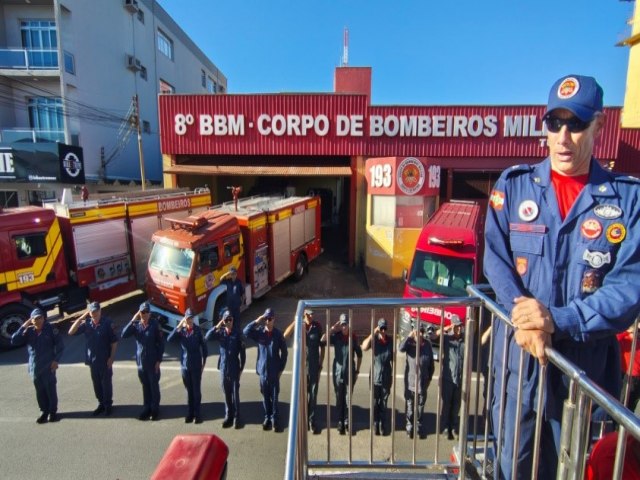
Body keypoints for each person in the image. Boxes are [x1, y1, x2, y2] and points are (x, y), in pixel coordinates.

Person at [484, 74, 640, 479]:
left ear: (599, 126)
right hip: (519, 365)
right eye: (555, 123)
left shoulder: (629, 200)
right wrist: (526, 316)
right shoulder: (515, 186)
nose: (564, 136)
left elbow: (628, 289)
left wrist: (557, 320)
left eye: (577, 123)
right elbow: (496, 261)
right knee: (512, 465)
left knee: (571, 471)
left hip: (581, 375)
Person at [11, 308, 64, 424]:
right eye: (35, 319)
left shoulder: (51, 329)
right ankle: (43, 411)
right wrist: (25, 325)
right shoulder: (29, 332)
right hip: (35, 368)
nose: (38, 320)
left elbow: (60, 346)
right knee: (40, 391)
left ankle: (53, 412)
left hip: (48, 366)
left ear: (44, 318)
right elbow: (14, 340)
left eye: (40, 318)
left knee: (50, 390)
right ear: (31, 320)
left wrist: (56, 360)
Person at [69, 301, 118, 416]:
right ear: (89, 313)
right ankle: (101, 403)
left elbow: (114, 342)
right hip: (92, 360)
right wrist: (81, 318)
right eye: (92, 312)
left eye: (96, 311)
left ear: (100, 311)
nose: (94, 313)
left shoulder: (107, 323)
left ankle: (108, 405)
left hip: (105, 359)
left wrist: (111, 358)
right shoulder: (87, 324)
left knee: (106, 384)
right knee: (96, 384)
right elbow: (71, 332)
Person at [243, 308, 288, 432]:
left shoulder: (278, 335)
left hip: (274, 372)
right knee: (265, 396)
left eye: (270, 319)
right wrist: (257, 321)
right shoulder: (260, 333)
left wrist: (281, 370)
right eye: (266, 319)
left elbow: (284, 353)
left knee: (274, 397)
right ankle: (267, 417)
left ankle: (275, 419)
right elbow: (246, 332)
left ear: (274, 319)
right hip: (263, 372)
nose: (267, 321)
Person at [283, 308, 326, 434]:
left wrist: (320, 365)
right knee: (302, 395)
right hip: (301, 368)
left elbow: (322, 347)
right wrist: (296, 321)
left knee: (313, 395)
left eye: (312, 315)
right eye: (308, 315)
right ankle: (303, 420)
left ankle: (312, 421)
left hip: (313, 366)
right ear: (304, 315)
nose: (311, 317)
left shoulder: (317, 326)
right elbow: (285, 335)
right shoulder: (299, 326)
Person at [121, 301, 165, 421]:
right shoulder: (136, 325)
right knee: (145, 386)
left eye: (147, 312)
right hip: (141, 362)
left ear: (150, 314)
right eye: (142, 312)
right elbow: (123, 334)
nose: (144, 314)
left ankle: (155, 410)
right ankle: (147, 408)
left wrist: (158, 361)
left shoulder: (155, 325)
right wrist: (133, 319)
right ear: (139, 313)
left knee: (153, 386)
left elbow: (161, 344)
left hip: (152, 361)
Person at [321, 313, 363, 435]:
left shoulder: (353, 338)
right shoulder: (336, 336)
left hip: (350, 373)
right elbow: (322, 339)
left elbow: (360, 355)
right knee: (339, 398)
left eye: (346, 324)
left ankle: (347, 421)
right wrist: (332, 329)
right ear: (340, 325)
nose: (344, 327)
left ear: (349, 325)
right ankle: (340, 421)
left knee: (348, 398)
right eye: (342, 324)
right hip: (338, 373)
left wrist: (357, 371)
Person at [205, 309, 246, 429]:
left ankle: (237, 418)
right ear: (223, 321)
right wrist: (217, 326)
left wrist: (241, 370)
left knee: (235, 394)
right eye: (226, 319)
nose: (228, 322)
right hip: (223, 367)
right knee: (226, 393)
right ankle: (229, 416)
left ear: (233, 320)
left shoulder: (238, 334)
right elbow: (207, 337)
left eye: (230, 319)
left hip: (234, 367)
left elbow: (243, 354)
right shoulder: (220, 333)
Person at [167, 308, 208, 424]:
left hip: (195, 364)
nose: (190, 320)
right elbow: (169, 339)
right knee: (189, 391)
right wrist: (179, 326)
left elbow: (204, 347)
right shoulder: (182, 331)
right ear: (185, 319)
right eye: (188, 318)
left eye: (191, 318)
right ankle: (190, 413)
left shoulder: (198, 331)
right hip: (185, 365)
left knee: (196, 391)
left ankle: (198, 414)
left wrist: (204, 362)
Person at [399, 325, 434, 439]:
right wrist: (409, 336)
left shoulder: (427, 344)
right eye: (417, 331)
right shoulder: (409, 343)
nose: (419, 334)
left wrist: (429, 378)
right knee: (410, 408)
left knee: (420, 407)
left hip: (422, 383)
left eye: (421, 331)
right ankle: (409, 427)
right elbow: (400, 348)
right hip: (410, 383)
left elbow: (431, 365)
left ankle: (418, 426)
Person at [434, 316, 465, 440]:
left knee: (456, 405)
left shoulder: (464, 340)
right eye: (456, 326)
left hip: (460, 378)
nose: (458, 328)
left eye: (460, 326)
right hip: (448, 378)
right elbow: (433, 336)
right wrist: (446, 328)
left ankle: (453, 427)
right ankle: (446, 427)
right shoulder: (447, 339)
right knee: (447, 404)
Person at [361, 318, 393, 436]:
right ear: (378, 329)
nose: (383, 331)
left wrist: (392, 376)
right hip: (375, 376)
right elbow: (363, 347)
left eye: (385, 328)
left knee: (384, 403)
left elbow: (393, 360)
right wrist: (372, 334)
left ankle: (383, 424)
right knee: (375, 402)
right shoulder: (374, 340)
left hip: (386, 377)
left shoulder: (390, 341)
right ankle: (375, 423)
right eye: (381, 328)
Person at [617, 324, 640, 413]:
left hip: (637, 378)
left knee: (632, 404)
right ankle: (617, 425)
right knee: (623, 404)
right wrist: (628, 332)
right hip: (628, 377)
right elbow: (616, 338)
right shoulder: (624, 339)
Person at [220, 266, 245, 332]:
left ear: (236, 274)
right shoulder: (228, 281)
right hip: (229, 306)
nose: (233, 275)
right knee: (230, 320)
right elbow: (221, 279)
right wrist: (227, 273)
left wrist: (242, 303)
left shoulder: (239, 282)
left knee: (237, 321)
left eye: (234, 274)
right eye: (232, 274)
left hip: (236, 306)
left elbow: (242, 293)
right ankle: (231, 333)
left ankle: (238, 335)